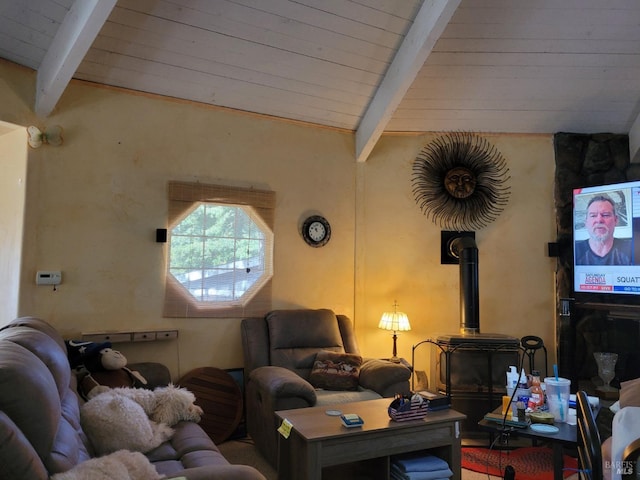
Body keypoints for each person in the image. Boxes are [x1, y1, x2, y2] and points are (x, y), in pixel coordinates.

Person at [575, 194, 632, 265]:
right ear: (586, 222)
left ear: (616, 220)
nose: (599, 220)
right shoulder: (575, 250)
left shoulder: (632, 249)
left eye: (606, 215)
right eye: (593, 215)